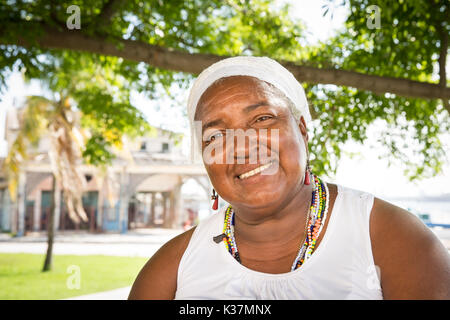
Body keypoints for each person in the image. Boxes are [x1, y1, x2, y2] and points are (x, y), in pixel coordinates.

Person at [128, 56, 450, 300]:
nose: (242, 148)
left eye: (263, 118)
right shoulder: (170, 270)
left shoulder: (391, 238)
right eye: (215, 137)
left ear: (302, 131)